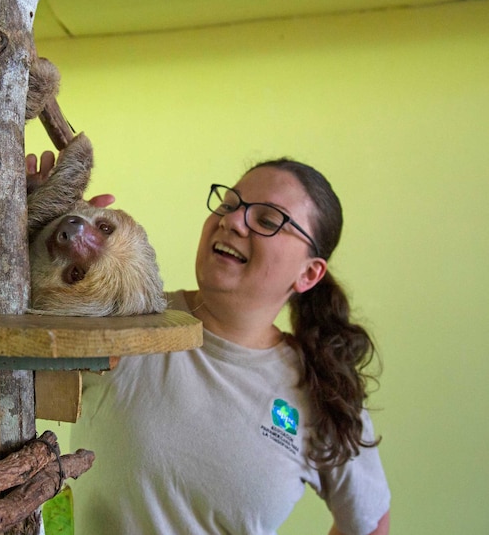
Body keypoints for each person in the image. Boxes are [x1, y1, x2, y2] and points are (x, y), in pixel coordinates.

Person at [55, 158, 391, 535]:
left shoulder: (321, 389)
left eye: (267, 220)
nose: (232, 221)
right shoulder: (124, 320)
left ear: (309, 273)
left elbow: (370, 521)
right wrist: (36, 222)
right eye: (229, 204)